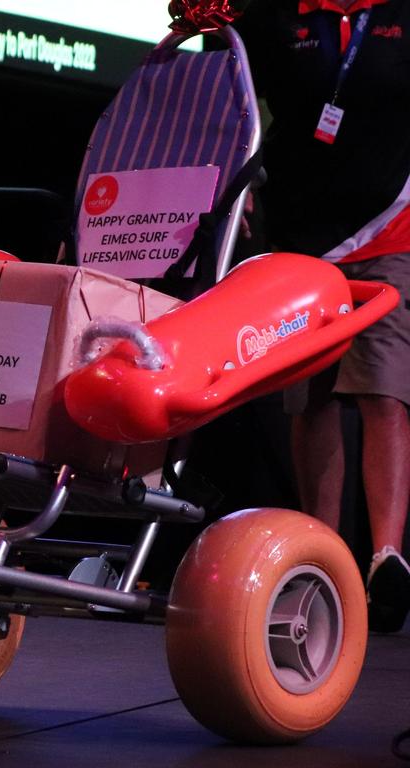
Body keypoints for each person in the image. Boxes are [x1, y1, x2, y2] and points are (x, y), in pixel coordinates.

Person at [236, 0, 410, 631]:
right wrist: (231, 180)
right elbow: (234, 99)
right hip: (301, 234)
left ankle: (386, 560)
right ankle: (322, 554)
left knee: (383, 390)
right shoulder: (275, 17)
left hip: (389, 227)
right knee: (310, 397)